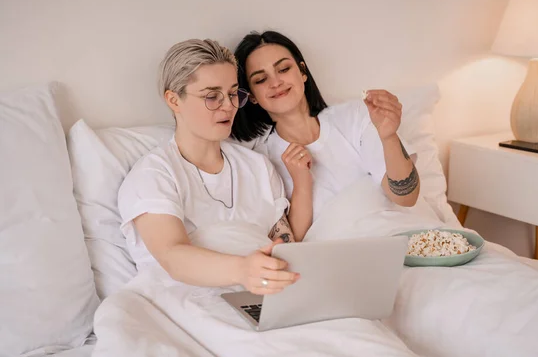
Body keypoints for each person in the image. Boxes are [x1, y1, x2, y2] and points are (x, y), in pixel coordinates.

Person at [117, 38, 300, 295]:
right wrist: (242, 270)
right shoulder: (154, 174)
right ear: (173, 100)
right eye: (212, 96)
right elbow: (172, 256)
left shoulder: (258, 167)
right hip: (187, 302)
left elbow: (286, 249)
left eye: (233, 93)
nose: (228, 105)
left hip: (264, 301)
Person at [231, 31, 420, 238]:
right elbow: (292, 242)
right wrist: (302, 184)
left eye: (283, 69)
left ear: (302, 72)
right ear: (252, 96)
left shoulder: (355, 116)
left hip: (399, 238)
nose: (275, 82)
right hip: (334, 258)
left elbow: (406, 198)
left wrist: (388, 137)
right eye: (260, 79)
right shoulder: (260, 160)